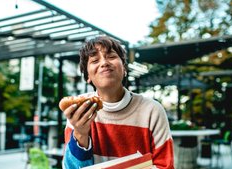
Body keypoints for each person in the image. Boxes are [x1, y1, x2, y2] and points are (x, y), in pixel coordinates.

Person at [62, 36, 174, 169]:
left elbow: (165, 165)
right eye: (95, 60)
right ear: (87, 76)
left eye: (111, 56)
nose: (104, 63)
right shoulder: (79, 111)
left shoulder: (152, 111)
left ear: (124, 68)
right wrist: (80, 133)